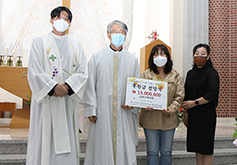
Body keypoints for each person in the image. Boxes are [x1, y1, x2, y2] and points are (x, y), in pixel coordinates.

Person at [26, 6, 88, 165]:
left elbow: (83, 72)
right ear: (51, 20)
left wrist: (67, 86)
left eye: (66, 19)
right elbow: (34, 70)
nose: (62, 21)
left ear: (70, 23)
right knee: (45, 138)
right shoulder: (39, 43)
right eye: (58, 17)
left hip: (67, 101)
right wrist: (53, 87)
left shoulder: (76, 46)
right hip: (47, 102)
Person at [83, 20, 140, 165]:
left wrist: (132, 104)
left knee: (124, 146)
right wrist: (91, 109)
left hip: (124, 112)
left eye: (121, 32)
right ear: (108, 35)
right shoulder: (97, 57)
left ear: (126, 35)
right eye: (114, 32)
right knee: (101, 145)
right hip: (102, 111)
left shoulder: (132, 59)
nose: (118, 35)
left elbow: (137, 85)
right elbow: (90, 85)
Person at [139, 44, 184, 165]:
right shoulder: (146, 74)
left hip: (168, 119)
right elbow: (140, 94)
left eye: (162, 53)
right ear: (152, 58)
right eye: (156, 54)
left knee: (166, 152)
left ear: (168, 57)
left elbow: (179, 96)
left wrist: (171, 109)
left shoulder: (175, 75)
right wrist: (145, 104)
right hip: (150, 119)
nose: (159, 56)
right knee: (152, 152)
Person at [182, 43, 219, 165]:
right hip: (193, 115)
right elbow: (186, 94)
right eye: (197, 53)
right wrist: (185, 112)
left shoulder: (211, 72)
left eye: (203, 54)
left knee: (206, 148)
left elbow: (212, 93)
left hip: (206, 114)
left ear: (208, 56)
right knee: (197, 148)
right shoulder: (190, 73)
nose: (199, 56)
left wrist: (195, 103)